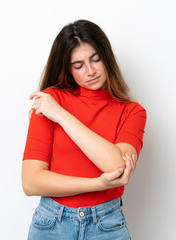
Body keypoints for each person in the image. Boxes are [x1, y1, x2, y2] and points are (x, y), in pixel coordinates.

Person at [22, 19, 147, 240]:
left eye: (95, 59)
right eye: (78, 65)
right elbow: (31, 182)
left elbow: (116, 165)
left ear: (107, 57)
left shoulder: (132, 112)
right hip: (53, 224)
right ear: (68, 69)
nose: (90, 71)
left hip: (107, 224)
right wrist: (97, 184)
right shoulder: (49, 101)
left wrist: (62, 115)